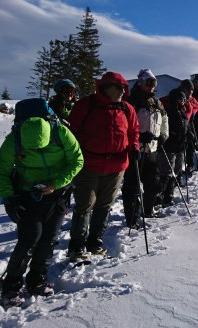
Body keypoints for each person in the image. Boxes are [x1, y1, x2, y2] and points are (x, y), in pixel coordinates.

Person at [0, 111, 84, 303]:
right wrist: (9, 198)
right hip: (26, 195)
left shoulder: (61, 133)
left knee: (49, 238)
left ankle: (37, 279)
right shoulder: (14, 139)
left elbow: (77, 160)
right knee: (29, 238)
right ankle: (11, 284)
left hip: (57, 194)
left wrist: (56, 183)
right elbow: (2, 170)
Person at [66, 72, 139, 259]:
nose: (122, 91)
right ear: (105, 88)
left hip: (117, 165)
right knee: (85, 205)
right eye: (118, 87)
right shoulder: (86, 105)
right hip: (89, 164)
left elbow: (133, 131)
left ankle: (94, 242)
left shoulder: (127, 109)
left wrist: (134, 147)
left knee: (105, 204)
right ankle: (76, 247)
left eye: (124, 87)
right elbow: (72, 132)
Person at [122, 69, 168, 227]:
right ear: (141, 83)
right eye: (149, 83)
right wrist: (138, 137)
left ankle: (147, 210)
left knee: (153, 184)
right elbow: (123, 126)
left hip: (152, 149)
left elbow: (164, 119)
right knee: (132, 186)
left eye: (154, 84)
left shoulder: (156, 102)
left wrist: (163, 135)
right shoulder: (130, 102)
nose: (152, 87)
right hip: (135, 150)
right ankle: (132, 219)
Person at [159, 88, 191, 208]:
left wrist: (189, 133)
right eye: (181, 99)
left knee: (176, 171)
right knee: (167, 173)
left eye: (184, 99)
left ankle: (169, 196)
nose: (183, 101)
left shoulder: (182, 111)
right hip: (169, 146)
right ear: (175, 99)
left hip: (180, 146)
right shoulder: (168, 111)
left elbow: (185, 125)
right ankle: (162, 196)